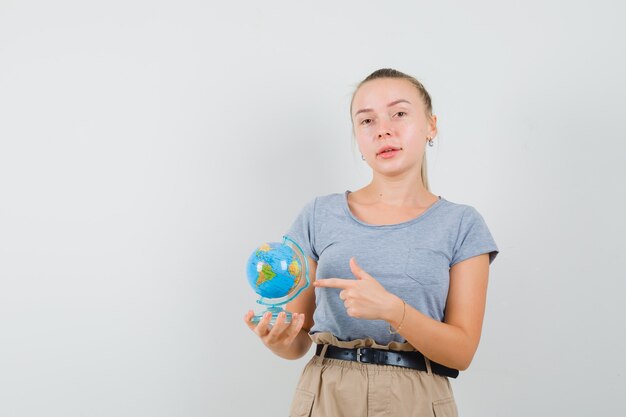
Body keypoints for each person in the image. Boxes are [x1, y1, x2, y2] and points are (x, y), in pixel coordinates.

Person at [244, 68, 499, 417]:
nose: (384, 129)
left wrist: (393, 310)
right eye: (367, 120)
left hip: (418, 399)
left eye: (399, 113)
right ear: (358, 137)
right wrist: (278, 342)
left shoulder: (462, 224)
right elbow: (299, 339)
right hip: (327, 395)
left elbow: (462, 352)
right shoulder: (319, 215)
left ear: (431, 126)